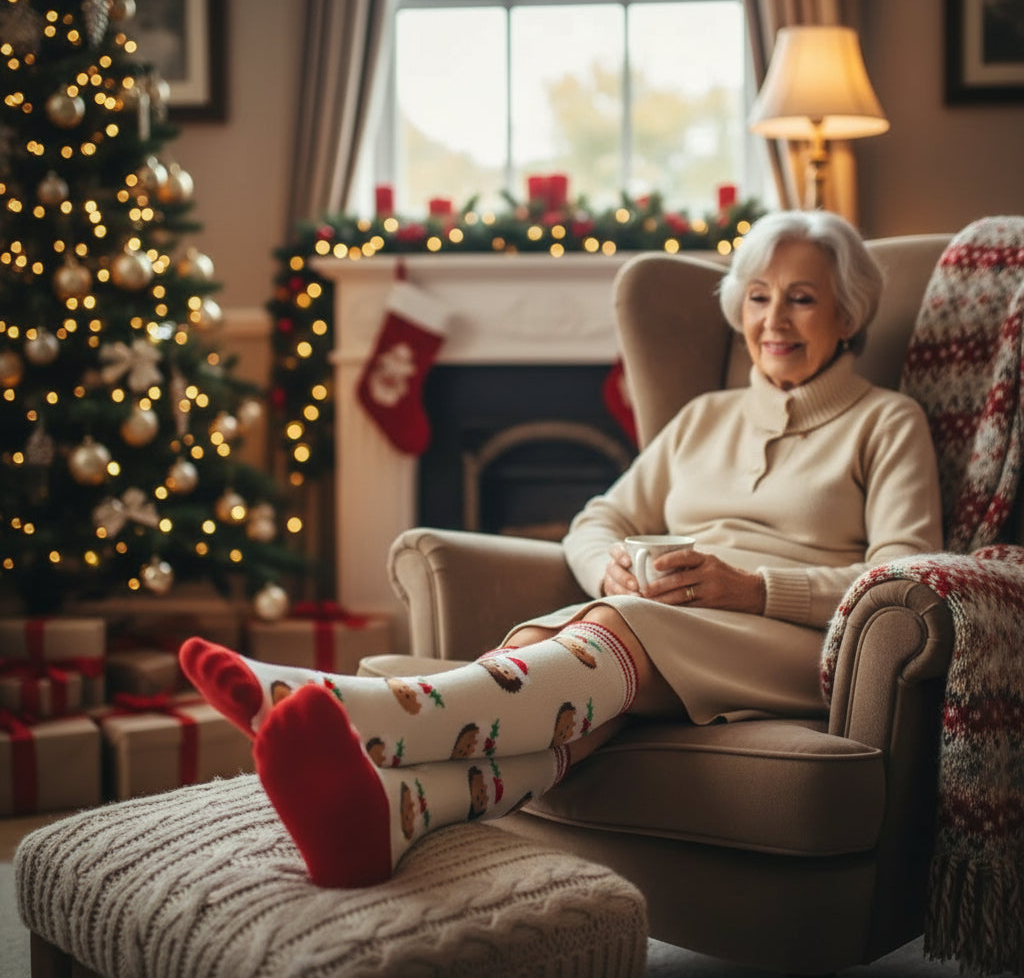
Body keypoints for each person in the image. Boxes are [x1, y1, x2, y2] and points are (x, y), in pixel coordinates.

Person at [181, 209, 942, 889]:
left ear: (848, 313)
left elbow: (908, 574)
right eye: (758, 295)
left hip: (789, 643)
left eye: (802, 297)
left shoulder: (887, 422)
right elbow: (596, 518)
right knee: (586, 672)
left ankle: (359, 710)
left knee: (605, 629)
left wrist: (755, 589)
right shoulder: (704, 418)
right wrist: (605, 563)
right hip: (663, 621)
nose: (774, 318)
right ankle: (397, 814)